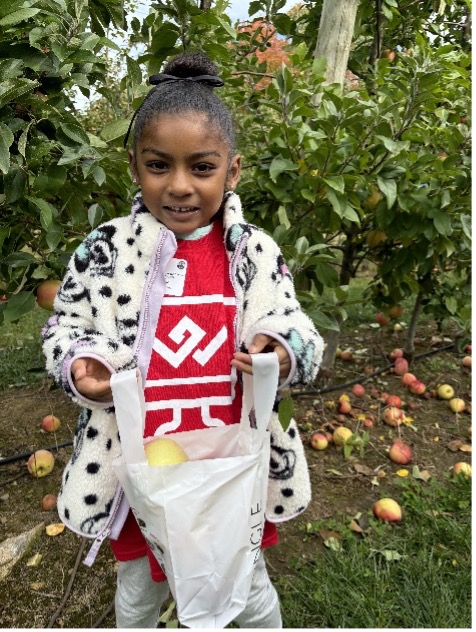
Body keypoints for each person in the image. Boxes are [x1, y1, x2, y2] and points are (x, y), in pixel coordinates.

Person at [42, 50, 323, 628]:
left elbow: (299, 326)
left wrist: (281, 346)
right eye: (157, 165)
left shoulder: (254, 254)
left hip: (229, 469)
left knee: (247, 587)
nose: (178, 186)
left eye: (201, 167)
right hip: (140, 468)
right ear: (133, 166)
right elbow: (63, 325)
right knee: (139, 593)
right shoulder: (106, 250)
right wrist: (80, 363)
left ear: (232, 170)